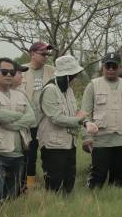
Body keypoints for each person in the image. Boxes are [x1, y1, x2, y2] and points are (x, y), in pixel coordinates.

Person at [0, 57, 35, 206]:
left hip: (18, 152)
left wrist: (9, 123)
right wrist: (19, 117)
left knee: (12, 195)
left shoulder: (20, 95)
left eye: (12, 72)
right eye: (4, 72)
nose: (9, 75)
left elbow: (31, 118)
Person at [81, 52, 122, 189]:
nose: (111, 69)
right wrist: (86, 137)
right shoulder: (93, 85)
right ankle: (93, 202)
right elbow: (85, 114)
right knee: (98, 175)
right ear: (103, 67)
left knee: (119, 177)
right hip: (100, 140)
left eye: (114, 66)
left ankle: (114, 201)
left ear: (120, 68)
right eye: (108, 66)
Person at [38, 55, 88, 193]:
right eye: (72, 74)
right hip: (53, 145)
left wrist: (86, 122)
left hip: (69, 143)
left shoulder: (69, 90)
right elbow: (56, 118)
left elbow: (75, 113)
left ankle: (66, 209)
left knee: (69, 181)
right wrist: (78, 120)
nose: (74, 77)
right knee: (54, 183)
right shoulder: (50, 90)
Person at [22, 42, 56, 189]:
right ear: (32, 54)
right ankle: (28, 185)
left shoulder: (52, 71)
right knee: (29, 155)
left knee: (48, 153)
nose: (45, 57)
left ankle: (50, 184)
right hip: (27, 121)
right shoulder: (21, 70)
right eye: (43, 54)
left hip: (46, 121)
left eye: (47, 55)